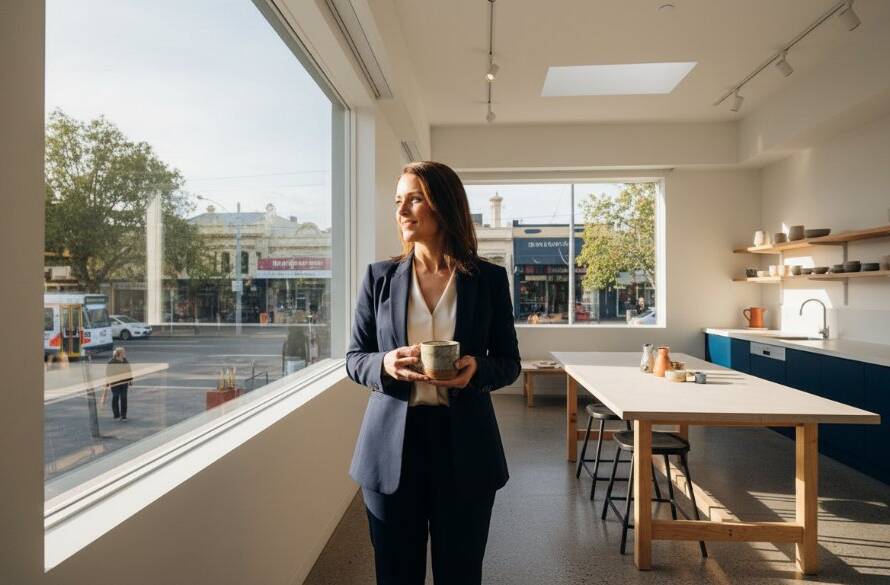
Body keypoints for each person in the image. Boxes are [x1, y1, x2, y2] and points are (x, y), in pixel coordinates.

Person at [345, 161, 521, 585]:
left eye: (415, 199)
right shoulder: (379, 278)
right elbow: (355, 358)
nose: (402, 211)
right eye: (398, 201)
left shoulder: (489, 280)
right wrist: (384, 364)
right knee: (395, 574)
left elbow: (510, 362)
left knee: (459, 573)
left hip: (465, 445)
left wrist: (477, 368)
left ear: (443, 205)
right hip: (391, 450)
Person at [105, 347, 133, 421]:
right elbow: (108, 373)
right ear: (119, 353)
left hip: (124, 382)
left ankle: (124, 416)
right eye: (123, 352)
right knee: (115, 396)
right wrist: (108, 382)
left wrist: (130, 379)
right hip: (115, 382)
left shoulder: (125, 361)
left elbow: (129, 370)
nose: (125, 353)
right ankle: (116, 414)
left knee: (124, 398)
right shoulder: (111, 362)